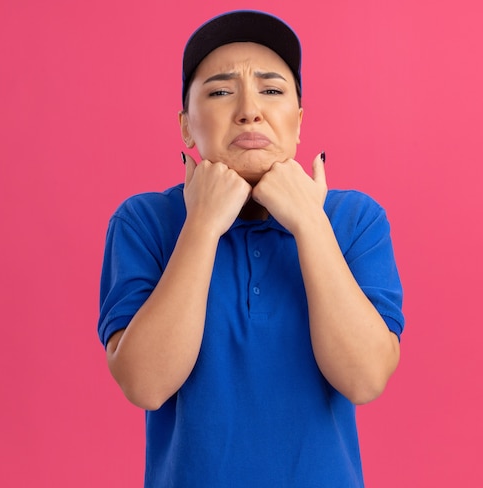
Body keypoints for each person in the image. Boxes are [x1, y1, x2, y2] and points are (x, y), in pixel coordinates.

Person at [98, 10, 404, 487]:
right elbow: (145, 384)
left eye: (272, 90)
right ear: (185, 127)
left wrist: (308, 222)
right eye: (220, 91)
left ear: (299, 122)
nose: (248, 110)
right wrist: (201, 224)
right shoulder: (144, 223)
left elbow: (364, 379)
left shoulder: (355, 221)